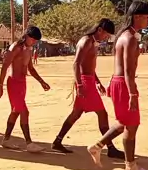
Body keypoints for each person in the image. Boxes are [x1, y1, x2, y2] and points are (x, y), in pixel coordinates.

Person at [87, 1, 148, 170]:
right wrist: (132, 93)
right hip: (124, 84)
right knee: (131, 126)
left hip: (119, 82)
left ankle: (97, 146)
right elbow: (128, 70)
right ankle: (130, 166)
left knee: (124, 121)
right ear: (137, 17)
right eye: (147, 17)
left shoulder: (124, 35)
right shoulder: (129, 38)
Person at [52, 19, 124, 158]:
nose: (106, 37)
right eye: (106, 34)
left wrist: (97, 82)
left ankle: (57, 141)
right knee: (102, 114)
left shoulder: (93, 42)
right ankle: (110, 148)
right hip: (84, 82)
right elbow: (76, 63)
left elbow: (89, 65)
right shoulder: (85, 41)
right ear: (99, 30)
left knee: (76, 113)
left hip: (88, 80)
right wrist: (80, 85)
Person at [0, 25, 50, 153]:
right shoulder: (15, 47)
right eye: (33, 39)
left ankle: (6, 140)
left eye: (36, 41)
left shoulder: (28, 49)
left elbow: (30, 68)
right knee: (24, 112)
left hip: (22, 83)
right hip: (13, 83)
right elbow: (5, 66)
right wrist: (0, 86)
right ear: (26, 36)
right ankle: (29, 143)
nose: (34, 42)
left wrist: (41, 82)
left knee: (15, 112)